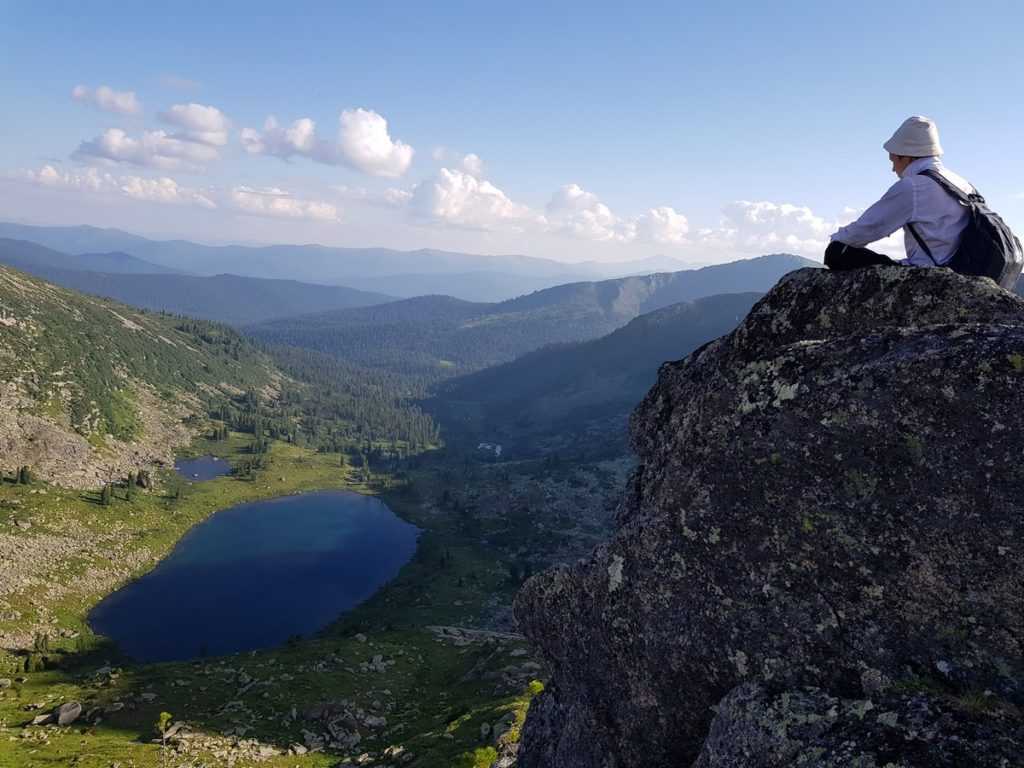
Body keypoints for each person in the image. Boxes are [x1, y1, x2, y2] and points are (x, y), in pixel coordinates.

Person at [825, 116, 974, 271]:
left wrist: (836, 240)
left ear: (906, 156)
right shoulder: (963, 184)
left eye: (893, 160)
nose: (893, 169)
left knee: (836, 252)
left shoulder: (913, 186)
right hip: (965, 267)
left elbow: (869, 227)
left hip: (933, 271)